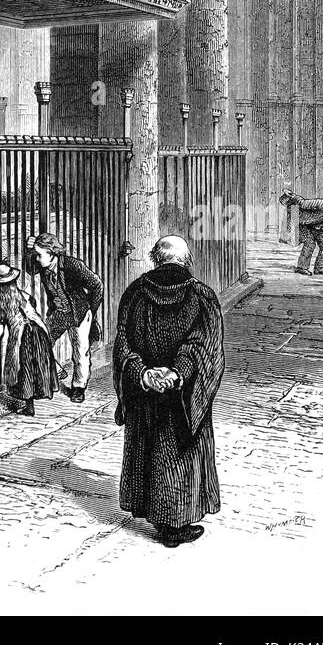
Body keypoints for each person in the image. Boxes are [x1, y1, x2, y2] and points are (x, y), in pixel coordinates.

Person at [113, 234, 225, 548]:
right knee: (179, 455)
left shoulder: (134, 293)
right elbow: (204, 346)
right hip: (181, 395)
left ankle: (157, 517)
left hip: (146, 392)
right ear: (185, 260)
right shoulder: (202, 296)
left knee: (149, 451)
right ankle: (175, 527)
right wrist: (178, 373)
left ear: (155, 258)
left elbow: (124, 344)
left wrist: (143, 373)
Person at [26, 233, 103, 403]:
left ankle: (78, 387)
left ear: (51, 253)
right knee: (40, 340)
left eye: (39, 255)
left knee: (80, 350)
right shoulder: (43, 265)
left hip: (79, 313)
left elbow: (97, 284)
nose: (37, 259)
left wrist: (91, 310)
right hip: (59, 313)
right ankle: (57, 371)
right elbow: (30, 270)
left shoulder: (71, 265)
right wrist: (28, 250)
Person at [0, 259, 58, 416]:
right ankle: (31, 403)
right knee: (36, 366)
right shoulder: (26, 296)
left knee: (24, 369)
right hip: (39, 334)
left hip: (22, 338)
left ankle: (29, 406)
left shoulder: (0, 306)